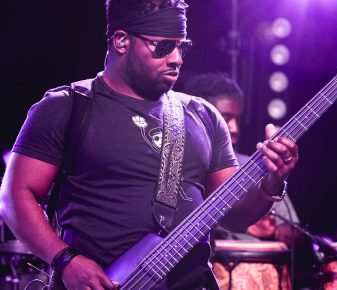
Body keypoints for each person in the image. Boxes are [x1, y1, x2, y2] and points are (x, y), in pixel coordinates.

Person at [0, 1, 299, 289]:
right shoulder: (67, 107)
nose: (177, 59)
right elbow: (15, 197)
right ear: (121, 41)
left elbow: (234, 216)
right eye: (164, 46)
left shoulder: (204, 116)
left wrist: (272, 181)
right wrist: (66, 260)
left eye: (182, 46)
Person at [182, 72, 302, 247]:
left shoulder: (258, 166)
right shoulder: (178, 166)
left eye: (237, 119)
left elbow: (298, 237)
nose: (234, 128)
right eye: (226, 118)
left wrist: (272, 231)